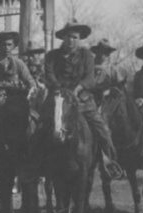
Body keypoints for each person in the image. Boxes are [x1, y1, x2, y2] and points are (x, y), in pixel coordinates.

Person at [42, 21, 124, 180]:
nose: (71, 40)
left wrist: (78, 88)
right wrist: (59, 89)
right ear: (63, 38)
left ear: (79, 39)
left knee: (102, 129)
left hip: (82, 101)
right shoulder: (52, 56)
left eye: (75, 37)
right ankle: (35, 163)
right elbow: (49, 75)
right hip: (58, 100)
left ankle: (109, 162)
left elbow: (90, 78)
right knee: (40, 127)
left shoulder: (86, 56)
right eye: (68, 37)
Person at [0, 32, 36, 170]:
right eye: (4, 44)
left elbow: (30, 82)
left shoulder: (19, 64)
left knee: (33, 123)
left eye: (9, 44)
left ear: (14, 46)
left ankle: (30, 156)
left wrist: (30, 91)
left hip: (16, 102)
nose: (6, 47)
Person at [90, 39, 125, 107]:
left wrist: (109, 91)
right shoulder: (89, 68)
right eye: (100, 51)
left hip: (108, 103)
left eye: (106, 52)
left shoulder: (113, 70)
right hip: (91, 101)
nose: (102, 54)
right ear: (96, 52)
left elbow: (120, 88)